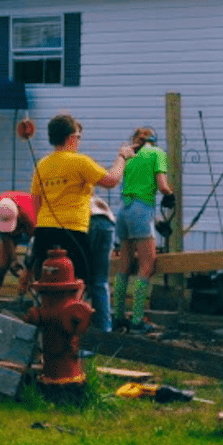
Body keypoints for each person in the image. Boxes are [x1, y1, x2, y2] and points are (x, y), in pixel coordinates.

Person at [27, 114, 133, 294]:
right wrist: (122, 157)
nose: (79, 141)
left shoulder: (42, 165)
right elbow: (112, 180)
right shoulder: (80, 161)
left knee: (47, 278)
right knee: (78, 280)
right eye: (78, 137)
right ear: (70, 137)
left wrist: (42, 224)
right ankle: (72, 316)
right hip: (72, 230)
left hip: (44, 229)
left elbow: (36, 201)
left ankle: (48, 314)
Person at [113, 127, 176, 333]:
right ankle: (138, 319)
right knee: (148, 265)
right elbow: (162, 185)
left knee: (124, 265)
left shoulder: (129, 156)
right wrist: (170, 194)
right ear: (153, 141)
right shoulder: (157, 153)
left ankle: (118, 316)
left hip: (123, 210)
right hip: (142, 209)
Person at [0, 191, 36, 309]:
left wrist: (28, 270)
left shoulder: (29, 216)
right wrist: (13, 260)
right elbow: (5, 235)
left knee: (37, 267)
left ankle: (38, 302)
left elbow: (36, 244)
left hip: (34, 226)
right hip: (12, 219)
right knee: (2, 265)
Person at [87, 193, 117, 331]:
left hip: (86, 220)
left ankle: (80, 332)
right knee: (100, 281)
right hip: (107, 222)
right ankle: (105, 329)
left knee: (78, 278)